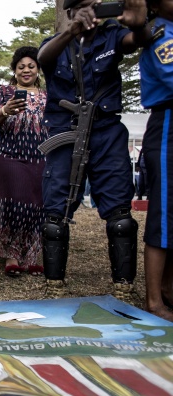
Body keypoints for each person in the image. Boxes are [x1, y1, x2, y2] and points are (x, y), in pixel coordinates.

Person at [37, 0, 150, 299]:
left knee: (121, 216)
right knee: (55, 215)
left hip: (106, 131)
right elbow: (43, 57)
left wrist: (138, 24)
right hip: (65, 130)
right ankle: (54, 285)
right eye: (87, 5)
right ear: (72, 10)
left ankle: (124, 287)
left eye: (97, 4)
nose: (95, 10)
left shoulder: (112, 35)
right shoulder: (57, 43)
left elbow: (135, 41)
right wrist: (71, 32)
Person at [0, 46, 48, 278]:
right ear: (14, 70)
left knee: (37, 207)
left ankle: (31, 256)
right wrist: (5, 111)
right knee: (16, 205)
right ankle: (12, 255)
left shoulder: (49, 96)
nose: (26, 70)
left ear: (38, 69)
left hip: (40, 157)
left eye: (31, 66)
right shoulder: (3, 92)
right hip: (9, 155)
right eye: (21, 67)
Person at [139, 0, 173, 321]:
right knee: (163, 213)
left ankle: (168, 289)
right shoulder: (160, 35)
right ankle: (154, 301)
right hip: (167, 125)